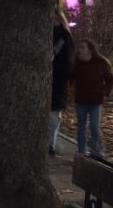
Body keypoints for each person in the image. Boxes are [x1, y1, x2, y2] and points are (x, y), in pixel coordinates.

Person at [69, 38, 113, 157]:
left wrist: (105, 91)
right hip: (81, 100)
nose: (79, 50)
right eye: (79, 47)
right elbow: (70, 78)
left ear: (90, 50)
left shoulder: (100, 64)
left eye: (82, 47)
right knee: (81, 127)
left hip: (95, 101)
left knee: (94, 127)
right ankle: (82, 151)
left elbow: (111, 79)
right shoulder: (77, 64)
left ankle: (98, 151)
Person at [49, 9, 74, 155]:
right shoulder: (60, 36)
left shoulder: (63, 37)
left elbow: (66, 61)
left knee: (54, 114)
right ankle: (50, 142)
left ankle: (51, 143)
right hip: (56, 79)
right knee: (52, 115)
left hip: (58, 80)